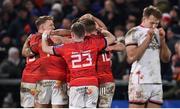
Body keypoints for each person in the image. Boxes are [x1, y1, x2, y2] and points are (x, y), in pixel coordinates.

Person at [41, 22, 115, 108]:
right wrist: (103, 31)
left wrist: (44, 36)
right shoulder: (94, 43)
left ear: (72, 34)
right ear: (84, 33)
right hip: (92, 83)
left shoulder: (65, 48)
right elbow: (112, 38)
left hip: (76, 83)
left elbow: (45, 48)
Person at [125, 5, 171, 108]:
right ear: (144, 19)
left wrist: (163, 41)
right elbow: (131, 57)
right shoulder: (133, 32)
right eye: (152, 22)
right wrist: (147, 39)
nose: (154, 26)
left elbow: (166, 59)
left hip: (156, 81)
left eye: (157, 23)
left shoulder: (158, 33)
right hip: (139, 80)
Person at [79, 14, 124, 108]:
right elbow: (104, 27)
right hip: (92, 80)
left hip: (104, 80)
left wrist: (110, 47)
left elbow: (122, 46)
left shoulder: (103, 40)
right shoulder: (98, 40)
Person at [26, 16, 70, 108]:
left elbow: (25, 52)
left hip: (47, 78)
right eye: (51, 25)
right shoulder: (60, 39)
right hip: (54, 78)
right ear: (42, 28)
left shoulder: (36, 40)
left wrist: (26, 42)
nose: (53, 27)